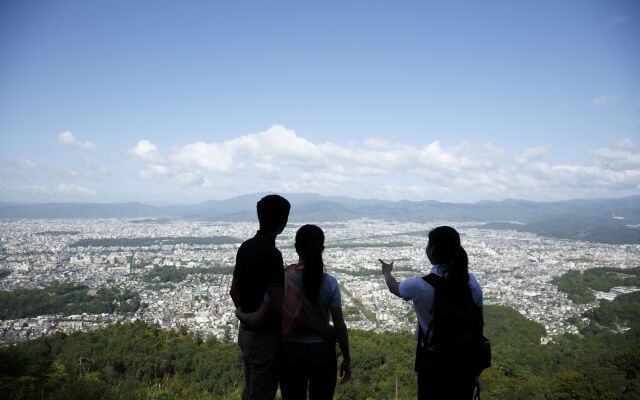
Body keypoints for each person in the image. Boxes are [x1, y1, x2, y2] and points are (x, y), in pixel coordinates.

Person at [237, 224, 351, 400]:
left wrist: (240, 314)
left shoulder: (284, 278)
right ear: (322, 248)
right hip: (323, 353)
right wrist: (347, 359)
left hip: (291, 352)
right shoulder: (330, 283)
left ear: (297, 248)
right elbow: (340, 327)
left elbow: (265, 312)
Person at [380, 226, 483, 400]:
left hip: (434, 362)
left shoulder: (419, 285)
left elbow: (394, 287)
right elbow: (479, 321)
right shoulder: (471, 282)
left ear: (433, 249)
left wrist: (387, 272)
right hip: (465, 361)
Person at [230, 194, 290, 400]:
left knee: (249, 391)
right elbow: (275, 304)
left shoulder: (245, 247)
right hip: (264, 336)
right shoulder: (272, 254)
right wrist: (256, 318)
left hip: (245, 333)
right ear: (283, 223)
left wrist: (244, 314)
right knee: (262, 394)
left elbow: (233, 290)